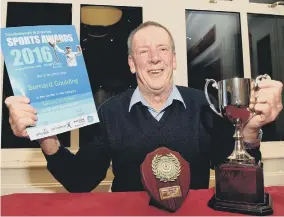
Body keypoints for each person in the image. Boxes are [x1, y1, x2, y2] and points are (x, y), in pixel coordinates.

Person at [5, 21, 283, 192]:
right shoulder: (109, 112)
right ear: (131, 63)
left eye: (162, 50)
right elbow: (81, 181)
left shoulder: (204, 104)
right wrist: (46, 136)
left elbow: (236, 181)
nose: (154, 59)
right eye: (143, 51)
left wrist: (248, 132)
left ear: (173, 60)